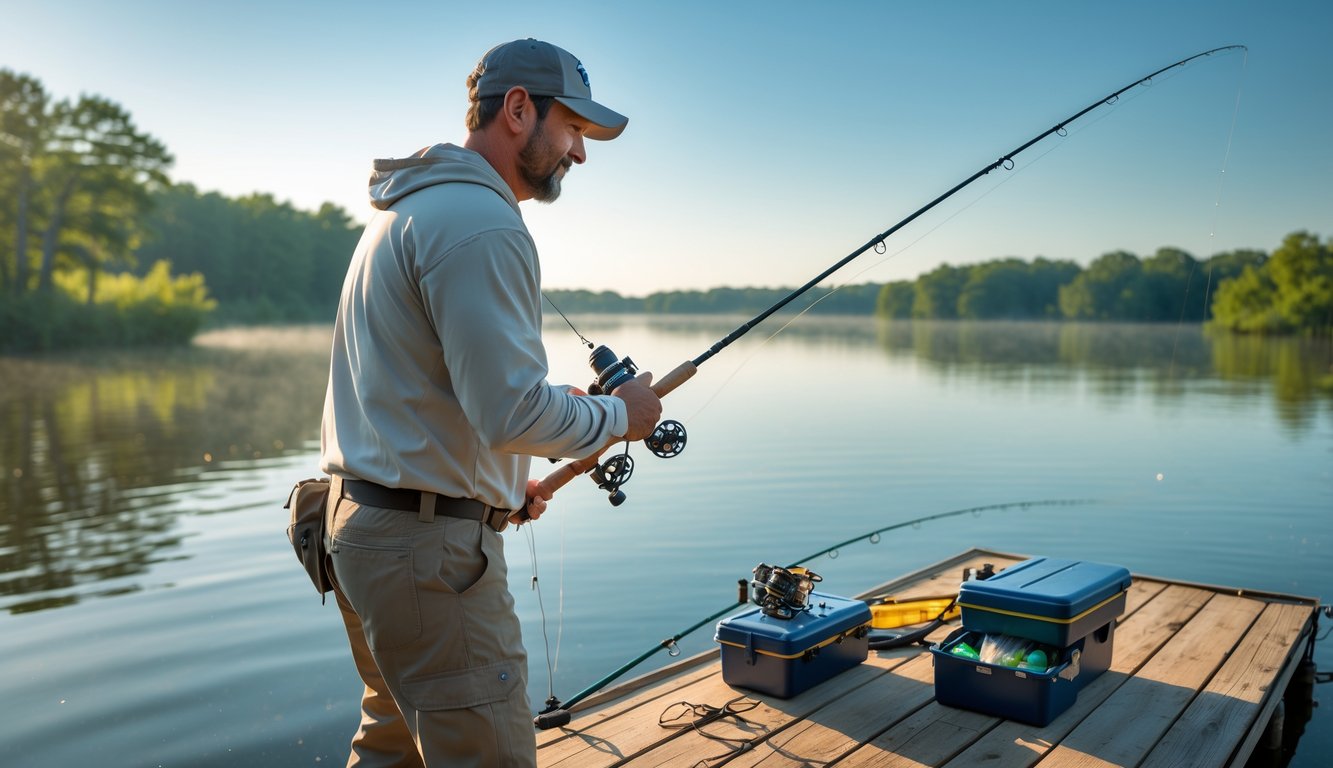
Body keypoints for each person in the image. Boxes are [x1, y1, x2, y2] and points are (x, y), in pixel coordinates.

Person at [319, 38, 662, 767]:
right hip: (425, 561)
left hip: (363, 532)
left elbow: (429, 398)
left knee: (391, 750)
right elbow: (509, 416)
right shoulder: (481, 222)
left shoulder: (404, 210)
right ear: (516, 110)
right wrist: (618, 416)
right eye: (572, 128)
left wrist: (496, 487)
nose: (579, 152)